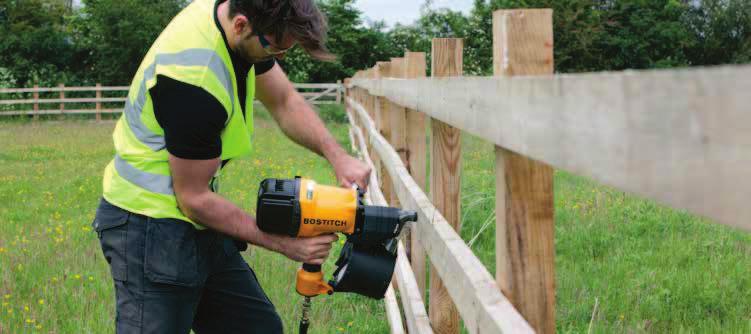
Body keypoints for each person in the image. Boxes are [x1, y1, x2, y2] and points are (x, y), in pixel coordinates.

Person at [91, 0, 371, 332]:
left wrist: (337, 155)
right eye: (275, 48)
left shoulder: (238, 24)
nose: (279, 58)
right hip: (147, 227)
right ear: (240, 25)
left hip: (193, 218)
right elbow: (194, 199)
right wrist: (284, 244)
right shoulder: (193, 84)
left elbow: (284, 101)